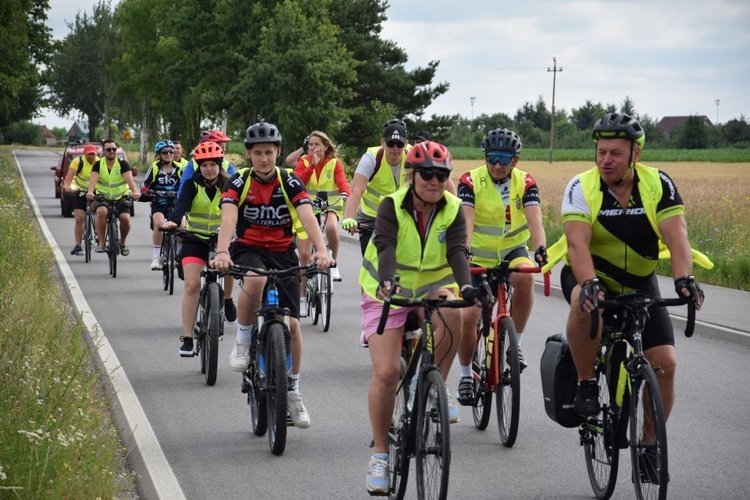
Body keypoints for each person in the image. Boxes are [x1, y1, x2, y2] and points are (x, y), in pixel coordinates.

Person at [547, 113, 707, 478]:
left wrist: (684, 278)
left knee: (665, 363)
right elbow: (576, 242)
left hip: (639, 281)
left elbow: (677, 236)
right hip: (590, 273)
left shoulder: (658, 184)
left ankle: (649, 445)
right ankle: (588, 381)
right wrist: (589, 283)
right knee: (585, 305)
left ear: (636, 153)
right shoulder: (580, 186)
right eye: (601, 152)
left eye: (615, 153)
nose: (605, 160)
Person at [358, 140, 480, 495]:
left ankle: (431, 388)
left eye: (442, 175)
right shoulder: (390, 205)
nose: (434, 180)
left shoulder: (453, 208)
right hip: (387, 290)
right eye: (427, 173)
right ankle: (380, 454)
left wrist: (468, 287)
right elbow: (386, 246)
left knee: (454, 311)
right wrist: (386, 281)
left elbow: (458, 251)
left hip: (431, 288)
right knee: (386, 373)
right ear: (412, 176)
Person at [213, 121, 334, 429]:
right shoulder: (237, 182)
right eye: (257, 153)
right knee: (254, 278)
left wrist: (322, 250)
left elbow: (307, 218)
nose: (264, 159)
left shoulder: (291, 181)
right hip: (249, 248)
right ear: (249, 155)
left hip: (282, 252)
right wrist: (223, 252)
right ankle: (242, 340)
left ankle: (293, 390)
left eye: (269, 152)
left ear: (279, 152)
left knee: (293, 326)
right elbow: (229, 219)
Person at [454, 128, 547, 404]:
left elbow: (535, 222)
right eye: (492, 158)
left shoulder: (526, 182)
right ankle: (465, 376)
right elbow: (466, 221)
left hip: (512, 249)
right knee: (469, 317)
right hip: (478, 256)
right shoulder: (470, 180)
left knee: (526, 278)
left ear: (515, 161)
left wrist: (541, 248)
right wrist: (464, 251)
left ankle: (514, 343)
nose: (496, 165)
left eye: (503, 159)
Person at [161, 141, 237, 355]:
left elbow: (240, 211)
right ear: (198, 166)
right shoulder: (191, 184)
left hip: (223, 239)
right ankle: (187, 337)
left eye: (213, 164)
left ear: (220, 165)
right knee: (192, 286)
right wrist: (173, 222)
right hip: (195, 238)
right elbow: (180, 208)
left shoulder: (230, 184)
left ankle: (228, 300)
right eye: (204, 165)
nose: (209, 169)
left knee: (229, 264)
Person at [343, 119, 457, 255]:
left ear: (407, 144)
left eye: (400, 144)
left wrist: (454, 214)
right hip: (371, 218)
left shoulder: (415, 156)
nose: (395, 149)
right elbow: (357, 190)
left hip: (403, 216)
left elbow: (444, 181)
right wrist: (348, 217)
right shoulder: (371, 158)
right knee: (371, 264)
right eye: (391, 143)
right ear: (382, 143)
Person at [293, 131, 351, 314]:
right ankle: (301, 296)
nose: (313, 148)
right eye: (310, 145)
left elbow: (342, 182)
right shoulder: (303, 161)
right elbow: (297, 183)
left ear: (326, 146)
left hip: (330, 205)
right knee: (303, 254)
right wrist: (312, 166)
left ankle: (333, 264)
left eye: (317, 144)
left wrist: (345, 193)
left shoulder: (334, 163)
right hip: (307, 208)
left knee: (333, 227)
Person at [85, 138, 141, 255]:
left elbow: (129, 180)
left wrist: (135, 192)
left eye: (114, 149)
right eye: (109, 149)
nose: (112, 151)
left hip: (121, 196)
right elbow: (93, 180)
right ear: (103, 151)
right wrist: (90, 192)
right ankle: (101, 243)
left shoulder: (122, 164)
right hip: (103, 196)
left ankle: (123, 243)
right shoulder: (98, 164)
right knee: (101, 212)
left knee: (125, 218)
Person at [141, 140, 183, 270]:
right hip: (159, 201)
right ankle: (156, 257)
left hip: (176, 203)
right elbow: (144, 183)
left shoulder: (180, 167)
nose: (169, 154)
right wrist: (145, 190)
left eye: (171, 151)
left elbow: (187, 183)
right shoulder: (155, 167)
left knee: (182, 226)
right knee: (158, 224)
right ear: (159, 154)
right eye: (165, 152)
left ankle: (178, 253)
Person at [177, 129, 237, 197]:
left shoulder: (227, 165)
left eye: (224, 146)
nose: (224, 149)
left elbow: (236, 188)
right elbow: (182, 191)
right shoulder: (192, 164)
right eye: (221, 146)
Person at [64, 143, 99, 255]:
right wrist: (68, 186)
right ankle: (78, 245)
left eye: (93, 154)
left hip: (95, 192)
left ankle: (100, 236)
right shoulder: (77, 161)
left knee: (102, 214)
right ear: (84, 153)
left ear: (96, 154)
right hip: (80, 192)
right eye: (89, 154)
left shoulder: (99, 163)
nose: (91, 156)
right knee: (79, 218)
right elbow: (70, 175)